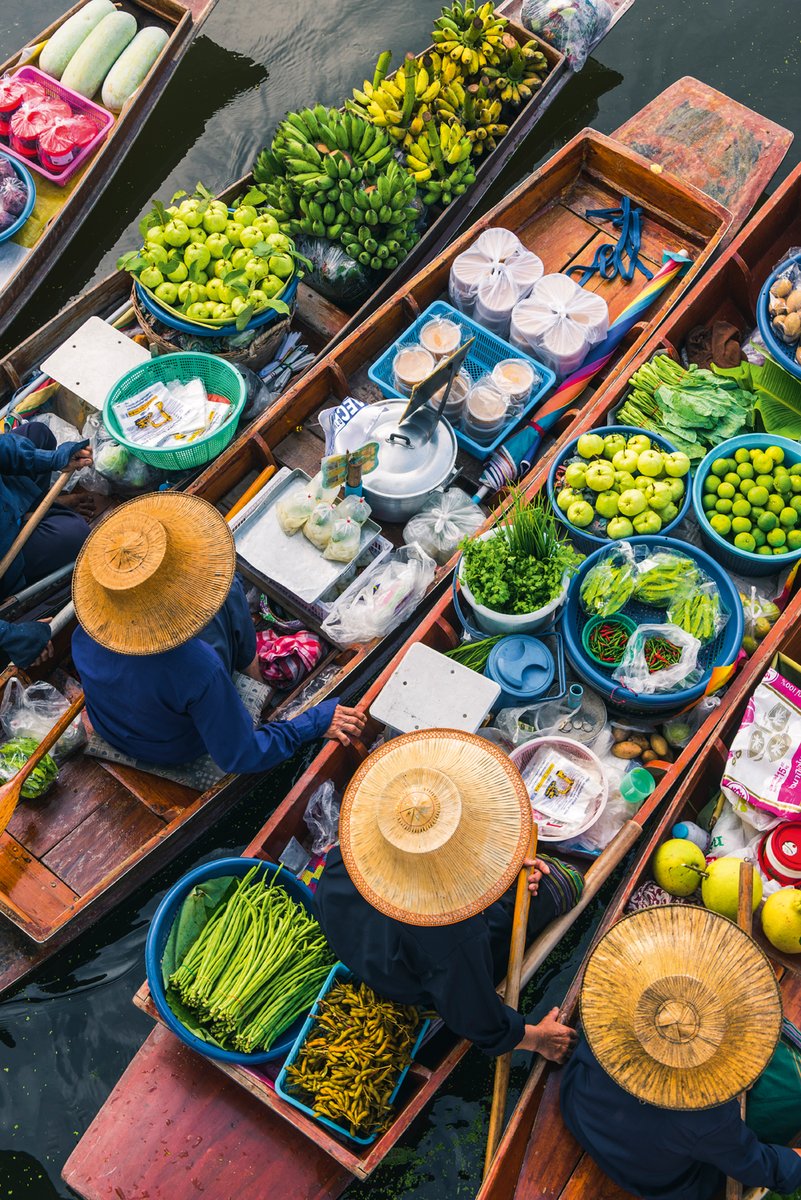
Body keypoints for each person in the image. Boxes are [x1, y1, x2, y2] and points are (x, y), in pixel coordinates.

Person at [316, 729, 581, 1061]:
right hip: (405, 976)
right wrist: (540, 1039)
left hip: (359, 938)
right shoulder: (453, 933)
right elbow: (478, 1021)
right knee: (561, 885)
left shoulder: (353, 846)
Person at [71, 492, 365, 773]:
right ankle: (259, 677)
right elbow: (242, 755)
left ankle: (255, 674)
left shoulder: (86, 631)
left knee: (228, 592)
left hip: (113, 724)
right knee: (228, 590)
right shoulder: (198, 667)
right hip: (175, 748)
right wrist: (314, 722)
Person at [559, 904, 801, 1200]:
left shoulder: (611, 1011)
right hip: (656, 1177)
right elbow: (760, 1165)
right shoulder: (710, 1113)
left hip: (578, 1107)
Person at [0, 421, 93, 668]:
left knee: (38, 434)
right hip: (6, 554)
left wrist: (53, 459)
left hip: (6, 498)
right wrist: (8, 635)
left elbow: (4, 448)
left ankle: (36, 509)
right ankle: (35, 515)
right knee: (76, 534)